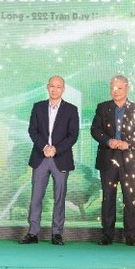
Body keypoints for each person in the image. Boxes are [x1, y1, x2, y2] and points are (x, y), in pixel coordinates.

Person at [19, 76, 79, 246]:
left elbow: (73, 135)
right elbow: (32, 130)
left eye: (58, 87)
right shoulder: (38, 107)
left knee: (59, 197)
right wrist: (45, 147)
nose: (54, 89)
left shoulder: (71, 109)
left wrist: (56, 149)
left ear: (63, 89)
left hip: (61, 158)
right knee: (36, 197)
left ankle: (57, 233)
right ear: (47, 87)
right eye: (52, 86)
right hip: (41, 157)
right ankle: (32, 232)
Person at [91, 75, 135, 246]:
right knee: (108, 197)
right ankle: (107, 235)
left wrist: (128, 143)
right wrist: (109, 141)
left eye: (119, 88)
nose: (115, 91)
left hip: (129, 159)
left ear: (127, 88)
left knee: (130, 198)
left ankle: (131, 236)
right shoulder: (103, 107)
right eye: (113, 88)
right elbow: (95, 130)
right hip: (107, 158)